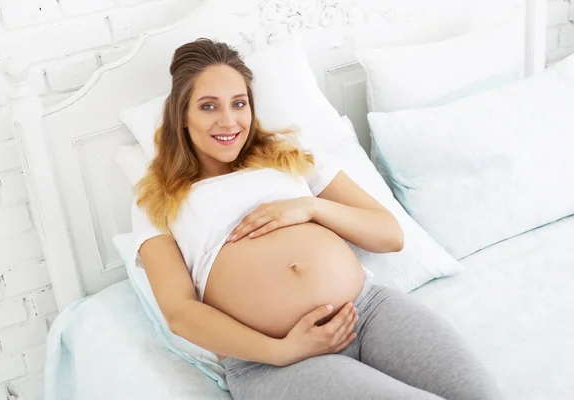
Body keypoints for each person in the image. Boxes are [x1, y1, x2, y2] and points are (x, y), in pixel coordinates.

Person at [132, 38, 503, 400]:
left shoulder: (287, 157)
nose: (229, 121)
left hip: (366, 312)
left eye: (239, 103)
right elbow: (180, 313)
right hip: (275, 361)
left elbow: (390, 235)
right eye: (208, 106)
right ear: (182, 115)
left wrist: (310, 208)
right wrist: (282, 351)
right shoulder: (157, 197)